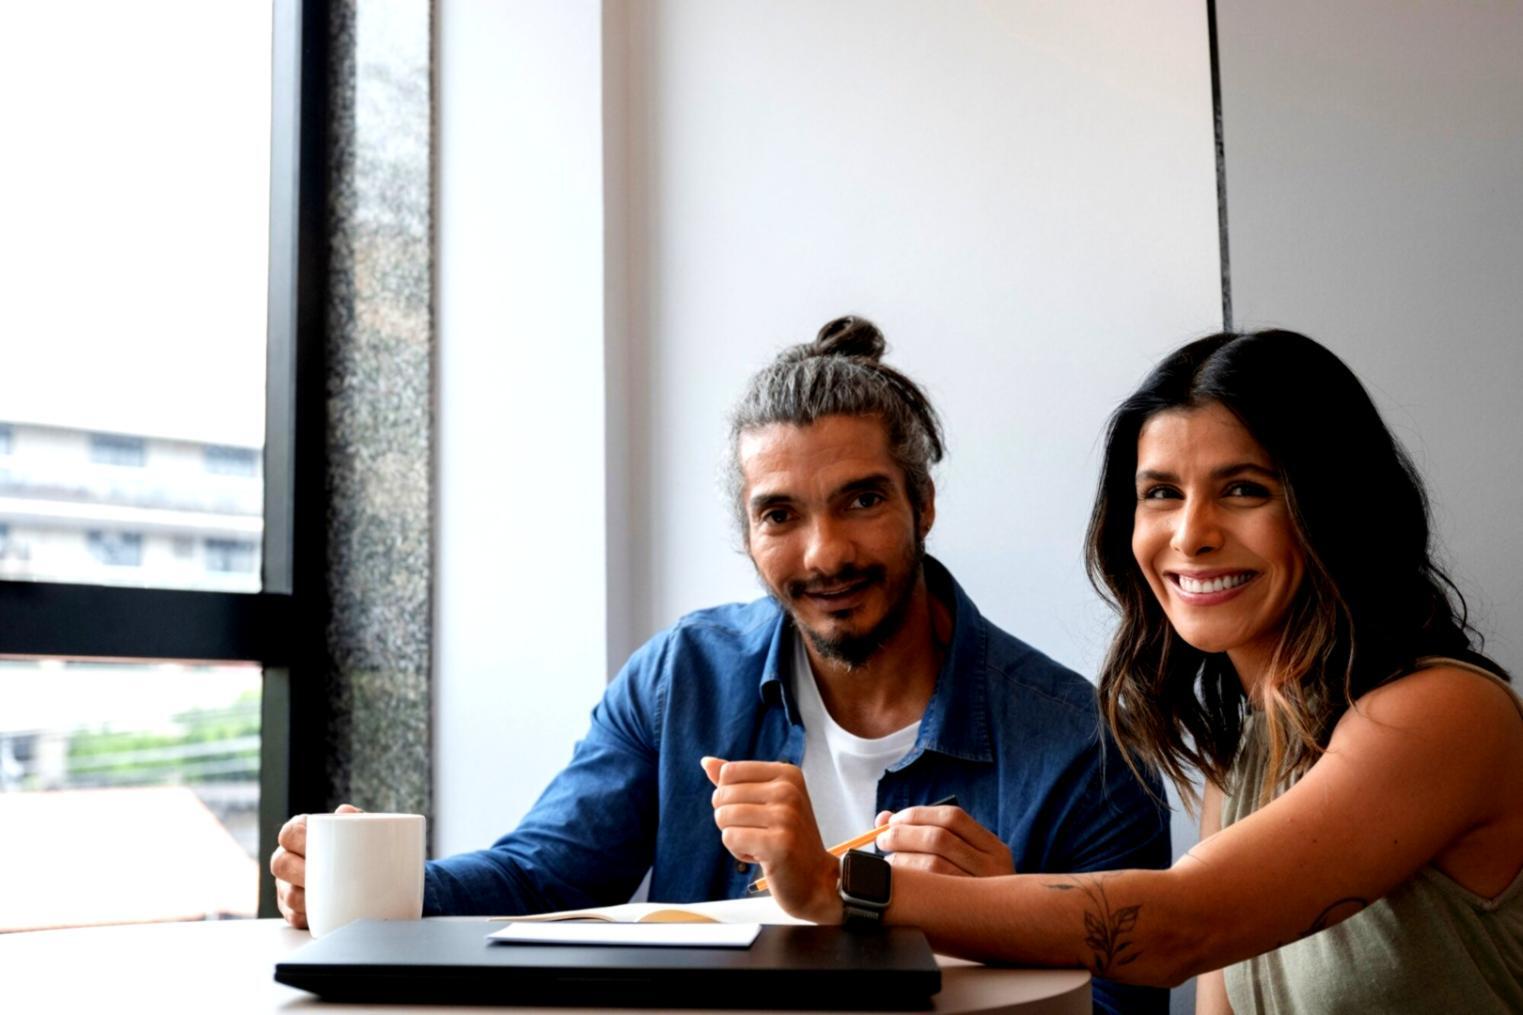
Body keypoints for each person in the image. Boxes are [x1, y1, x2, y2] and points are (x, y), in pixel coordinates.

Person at [271, 316, 1171, 1014]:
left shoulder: (1086, 749)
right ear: (747, 535)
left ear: (922, 505)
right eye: (780, 515)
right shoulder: (682, 676)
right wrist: (373, 894)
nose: (824, 553)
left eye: (861, 500)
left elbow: (1121, 1005)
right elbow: (544, 874)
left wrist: (1003, 922)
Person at [710, 329, 1523, 1013]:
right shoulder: (1239, 757)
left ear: (1333, 506)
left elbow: (1178, 925)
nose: (1190, 534)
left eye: (1242, 489)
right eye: (1160, 493)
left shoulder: (1443, 714)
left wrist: (838, 886)